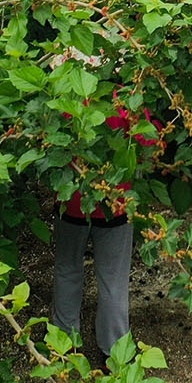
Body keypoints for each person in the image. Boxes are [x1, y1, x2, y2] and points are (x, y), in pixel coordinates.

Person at [52, 105, 159, 366]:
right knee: (114, 281)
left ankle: (63, 350)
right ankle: (115, 353)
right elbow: (149, 142)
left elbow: (50, 144)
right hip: (116, 203)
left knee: (67, 271)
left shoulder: (64, 95)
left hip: (72, 202)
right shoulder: (125, 97)